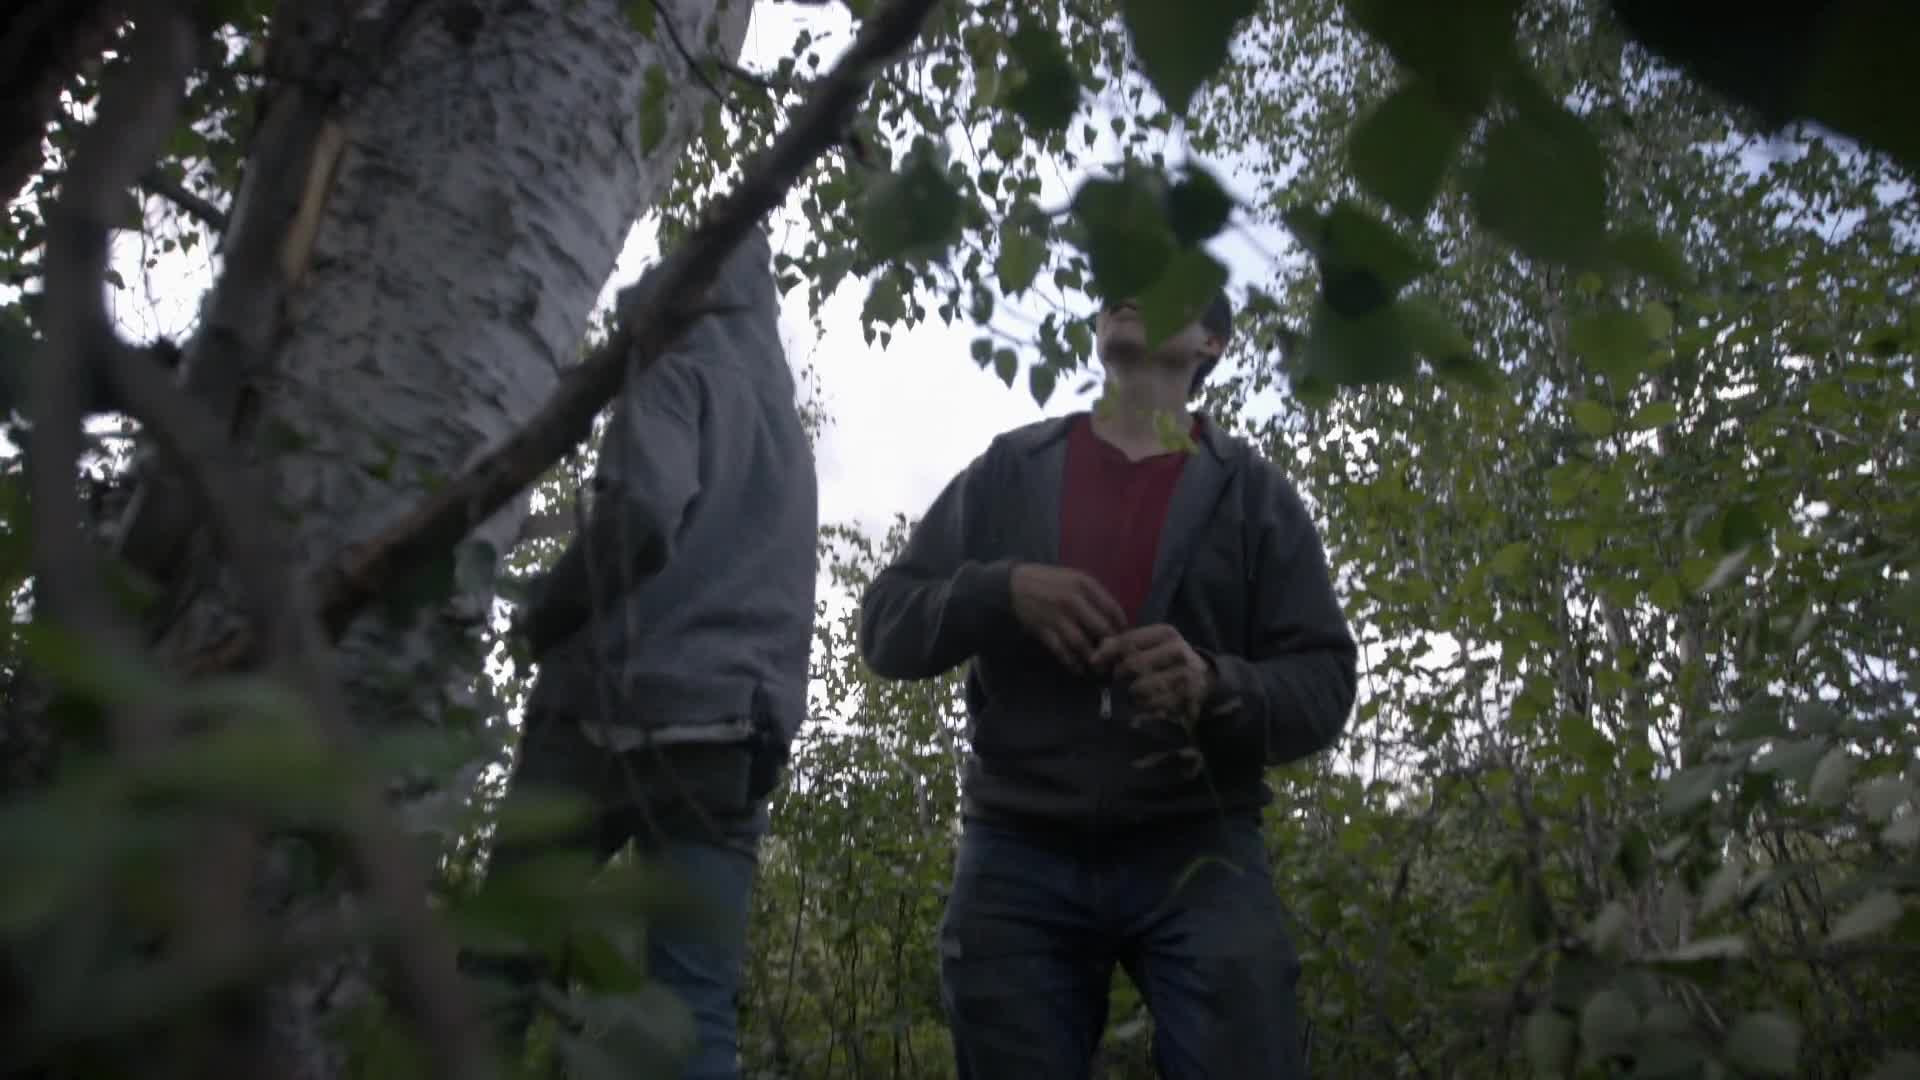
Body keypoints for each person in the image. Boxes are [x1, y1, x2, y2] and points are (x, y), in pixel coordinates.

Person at [857, 291, 1357, 1078]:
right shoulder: (1014, 470)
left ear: (1212, 343)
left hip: (1201, 848)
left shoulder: (1251, 492)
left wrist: (1213, 686)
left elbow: (1324, 682)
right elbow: (885, 625)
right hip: (1017, 847)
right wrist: (1000, 590)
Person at [467, 226, 817, 1080]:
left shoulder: (676, 363)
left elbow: (642, 515)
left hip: (609, 716)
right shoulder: (781, 420)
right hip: (734, 736)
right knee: (695, 1010)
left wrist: (545, 613)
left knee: (495, 971)